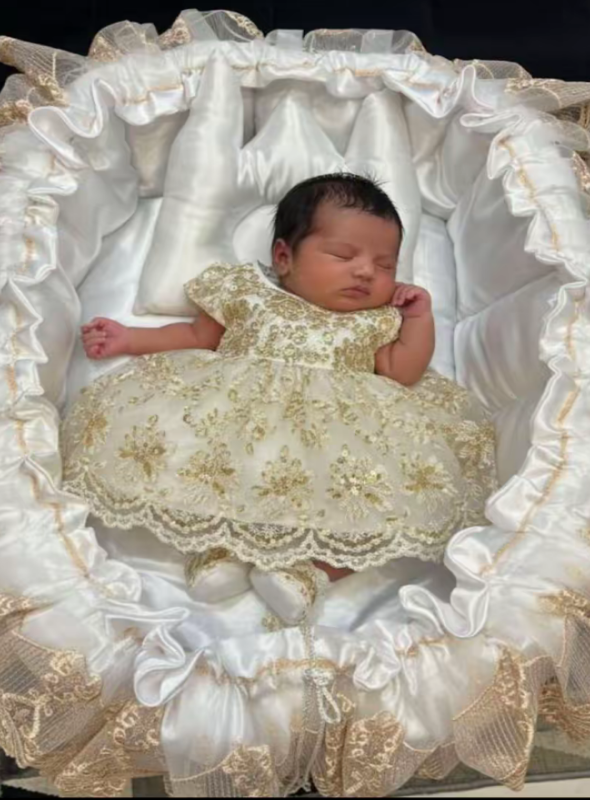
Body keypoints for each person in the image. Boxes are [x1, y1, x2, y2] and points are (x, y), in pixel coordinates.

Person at [62, 173, 495, 624]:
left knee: (370, 500)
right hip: (242, 417)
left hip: (340, 434)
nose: (367, 271)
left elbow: (402, 372)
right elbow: (197, 337)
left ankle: (310, 571)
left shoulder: (376, 320)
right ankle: (223, 548)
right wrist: (130, 338)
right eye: (343, 255)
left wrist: (419, 317)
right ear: (284, 257)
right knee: (219, 467)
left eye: (386, 265)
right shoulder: (249, 293)